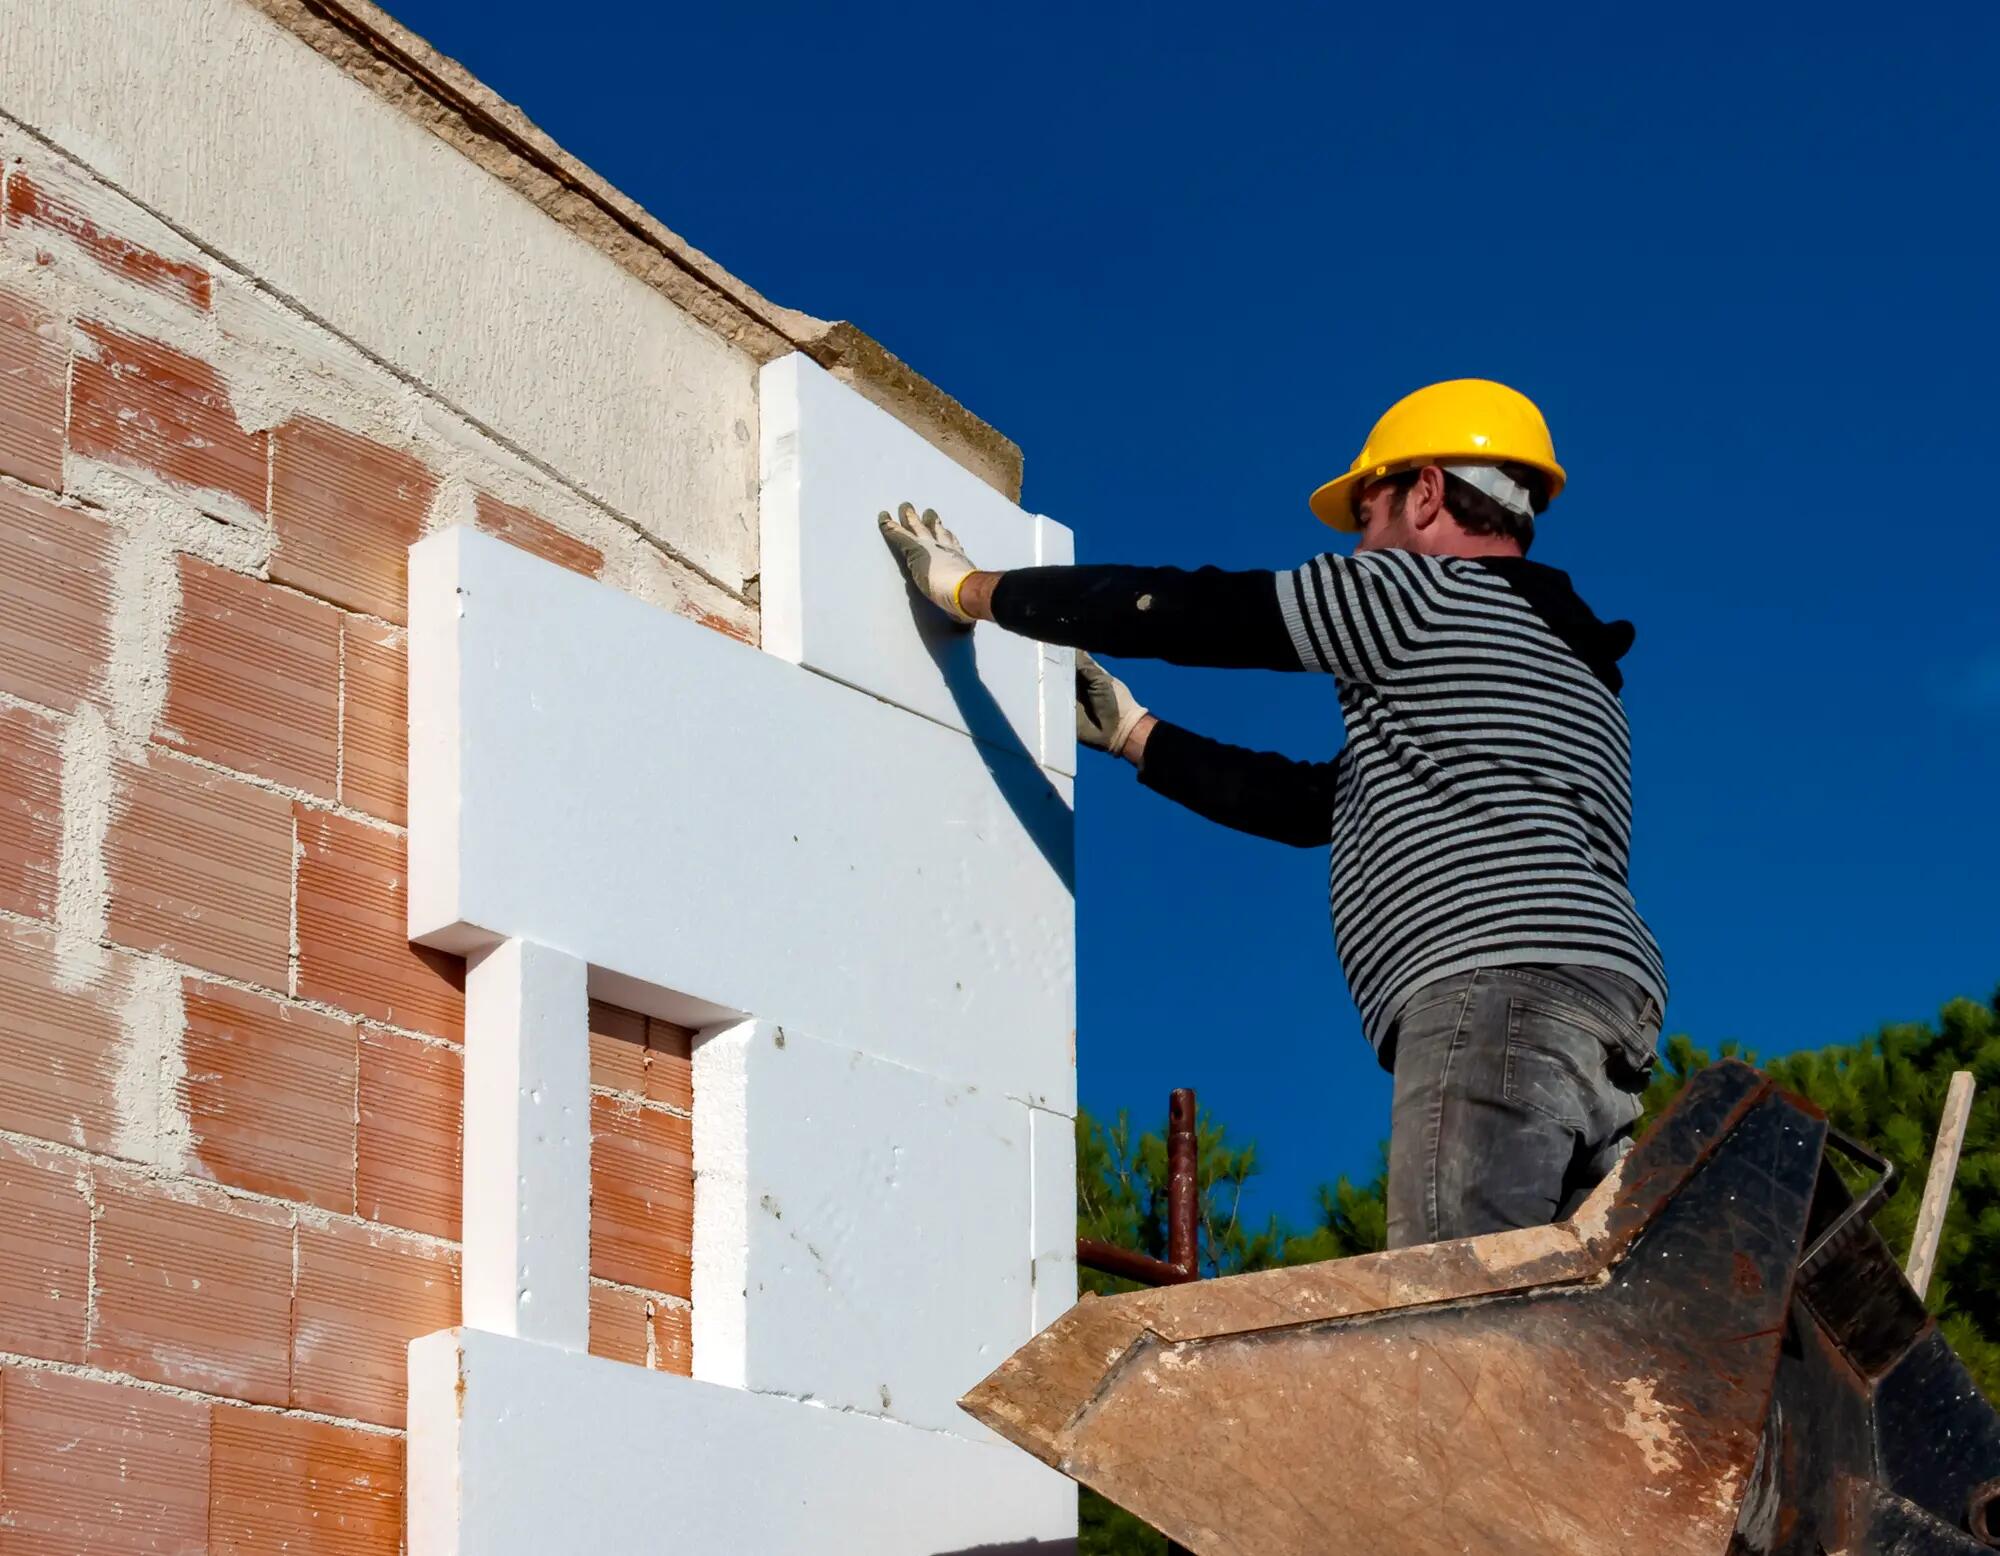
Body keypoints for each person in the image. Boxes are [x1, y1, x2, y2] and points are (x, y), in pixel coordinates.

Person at [880, 378, 1667, 1249]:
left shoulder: (1420, 595)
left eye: (1367, 519)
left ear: (1428, 492)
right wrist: (1134, 732)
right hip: (1603, 1016)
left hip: (1492, 992)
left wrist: (974, 591)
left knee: (1458, 1310)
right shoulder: (1575, 671)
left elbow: (1198, 612)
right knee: (1562, 1328)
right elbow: (1316, 804)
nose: (1361, 549)